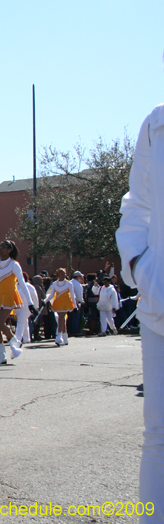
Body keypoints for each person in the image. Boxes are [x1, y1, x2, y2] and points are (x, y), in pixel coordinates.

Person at [116, 98, 164, 524]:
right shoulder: (158, 121)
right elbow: (138, 205)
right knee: (159, 437)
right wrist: (141, 266)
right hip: (160, 305)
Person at [0, 240, 34, 364]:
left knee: (0, 322)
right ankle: (1, 355)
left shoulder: (14, 265)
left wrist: (30, 303)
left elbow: (22, 283)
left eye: (3, 247)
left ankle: (14, 341)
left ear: (9, 250)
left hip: (10, 295)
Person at [44, 268, 77, 346]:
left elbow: (72, 295)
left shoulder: (69, 284)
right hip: (58, 303)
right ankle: (65, 338)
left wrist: (75, 306)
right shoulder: (55, 284)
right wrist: (45, 301)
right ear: (58, 274)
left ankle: (59, 336)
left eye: (64, 273)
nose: (63, 275)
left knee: (61, 318)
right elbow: (51, 295)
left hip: (66, 303)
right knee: (62, 320)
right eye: (61, 273)